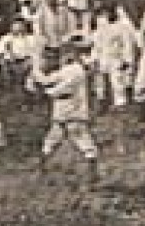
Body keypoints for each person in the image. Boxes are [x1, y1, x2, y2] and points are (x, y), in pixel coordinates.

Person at [29, 39, 99, 179]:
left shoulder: (75, 70)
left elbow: (63, 88)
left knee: (82, 140)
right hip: (64, 112)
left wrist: (46, 91)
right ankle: (42, 170)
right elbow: (47, 80)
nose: (62, 57)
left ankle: (93, 173)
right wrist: (36, 70)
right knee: (53, 139)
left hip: (73, 112)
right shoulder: (69, 69)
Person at [92, 3, 140, 109]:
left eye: (111, 12)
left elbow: (127, 45)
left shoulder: (123, 26)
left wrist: (127, 61)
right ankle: (101, 99)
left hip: (116, 57)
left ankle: (120, 103)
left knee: (117, 80)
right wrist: (95, 57)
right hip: (103, 55)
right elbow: (97, 42)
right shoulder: (102, 24)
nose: (109, 14)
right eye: (107, 12)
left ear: (116, 13)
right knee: (99, 78)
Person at [0, 17, 41, 86]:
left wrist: (28, 60)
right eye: (15, 24)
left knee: (35, 63)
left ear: (25, 27)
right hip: (10, 63)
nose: (18, 27)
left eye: (21, 25)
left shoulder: (31, 38)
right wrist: (8, 57)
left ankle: (29, 83)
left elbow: (35, 52)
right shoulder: (6, 38)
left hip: (27, 63)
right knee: (3, 63)